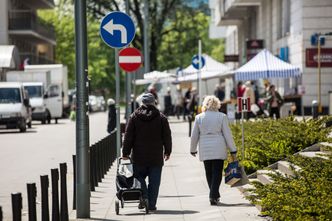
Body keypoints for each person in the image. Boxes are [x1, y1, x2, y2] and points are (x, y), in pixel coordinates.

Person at [122, 93, 172, 211]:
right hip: (155, 157)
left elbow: (128, 137)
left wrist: (125, 153)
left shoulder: (134, 117)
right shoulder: (161, 118)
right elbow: (167, 136)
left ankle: (144, 197)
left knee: (138, 177)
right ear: (154, 102)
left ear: (142, 103)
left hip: (139, 156)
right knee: (154, 183)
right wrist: (167, 151)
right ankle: (151, 204)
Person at [190, 95, 237, 205]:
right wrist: (233, 149)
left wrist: (193, 149)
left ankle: (213, 194)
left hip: (205, 147)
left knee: (208, 172)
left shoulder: (199, 117)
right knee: (217, 172)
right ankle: (213, 194)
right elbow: (227, 134)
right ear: (217, 104)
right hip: (218, 146)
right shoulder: (222, 116)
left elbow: (194, 135)